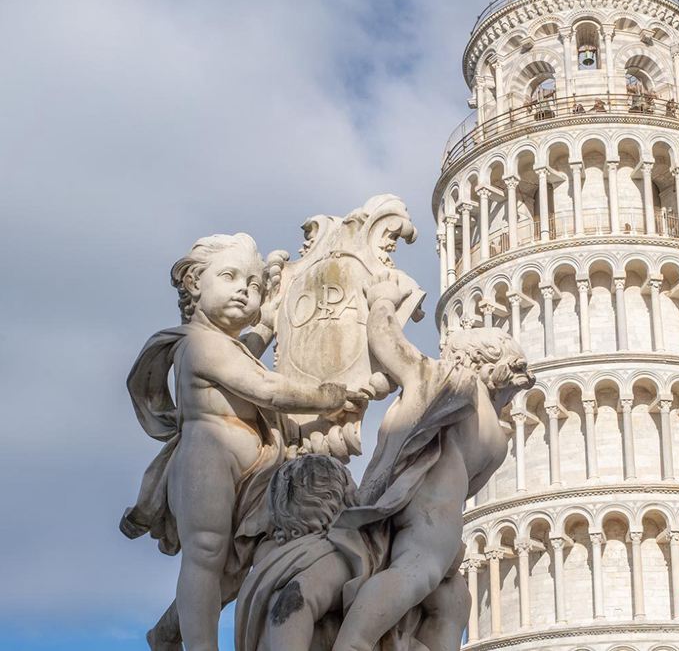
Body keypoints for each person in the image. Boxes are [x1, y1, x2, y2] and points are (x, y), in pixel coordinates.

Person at [121, 233, 369, 651]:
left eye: (253, 285)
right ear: (194, 284)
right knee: (206, 552)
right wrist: (331, 397)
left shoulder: (226, 347)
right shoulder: (197, 345)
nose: (244, 290)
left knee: (234, 568)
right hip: (208, 459)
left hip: (256, 468)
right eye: (230, 277)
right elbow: (264, 387)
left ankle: (167, 633)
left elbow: (246, 357)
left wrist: (267, 324)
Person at [330, 271, 535, 651]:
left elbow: (389, 344)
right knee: (425, 578)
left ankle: (355, 641)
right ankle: (354, 643)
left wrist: (383, 300)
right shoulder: (496, 436)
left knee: (427, 582)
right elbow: (472, 485)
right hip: (439, 514)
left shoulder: (449, 382)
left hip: (420, 501)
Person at [236, 454, 377, 651]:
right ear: (336, 499)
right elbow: (294, 601)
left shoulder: (277, 560)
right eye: (351, 488)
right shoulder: (332, 554)